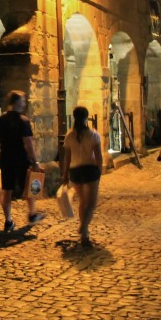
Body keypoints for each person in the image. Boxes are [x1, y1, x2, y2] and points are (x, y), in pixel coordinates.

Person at [0, 90, 45, 232]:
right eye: (22, 100)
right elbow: (28, 143)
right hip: (21, 159)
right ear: (16, 102)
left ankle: (8, 221)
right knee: (29, 188)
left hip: (6, 159)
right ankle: (32, 214)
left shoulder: (0, 120)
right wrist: (35, 161)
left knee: (7, 190)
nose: (24, 103)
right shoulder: (23, 121)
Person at [60, 106, 102, 247]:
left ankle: (85, 236)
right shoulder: (93, 135)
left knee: (83, 202)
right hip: (90, 170)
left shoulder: (69, 135)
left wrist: (65, 174)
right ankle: (83, 227)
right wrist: (99, 172)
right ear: (86, 117)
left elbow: (67, 157)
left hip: (75, 172)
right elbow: (99, 157)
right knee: (91, 204)